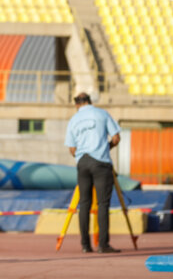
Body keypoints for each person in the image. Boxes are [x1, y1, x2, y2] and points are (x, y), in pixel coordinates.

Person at [64, 92, 121, 253]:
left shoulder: (73, 120)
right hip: (101, 162)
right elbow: (116, 137)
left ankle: (85, 245)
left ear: (77, 105)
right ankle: (103, 244)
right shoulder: (102, 114)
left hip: (83, 162)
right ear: (89, 101)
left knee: (84, 204)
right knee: (103, 204)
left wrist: (82, 156)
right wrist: (106, 148)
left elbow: (72, 149)